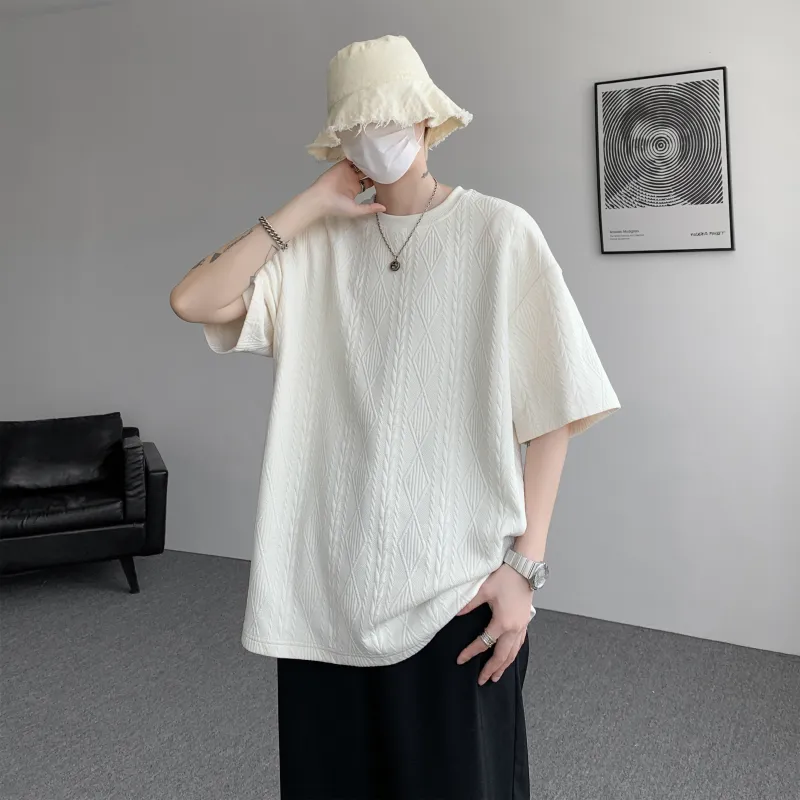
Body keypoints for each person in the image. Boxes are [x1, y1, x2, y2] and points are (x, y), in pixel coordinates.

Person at [170, 33, 620, 800]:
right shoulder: (312, 250)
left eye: (387, 116)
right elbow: (194, 300)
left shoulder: (499, 234)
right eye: (354, 123)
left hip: (454, 590)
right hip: (321, 595)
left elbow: (556, 407)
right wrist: (308, 205)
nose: (373, 134)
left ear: (426, 120)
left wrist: (525, 570)